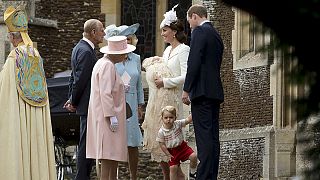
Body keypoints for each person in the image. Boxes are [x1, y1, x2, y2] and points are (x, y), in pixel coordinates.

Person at [0, 6, 56, 180]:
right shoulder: (35, 55)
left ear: (11, 37)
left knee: (19, 143)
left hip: (18, 116)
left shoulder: (13, 58)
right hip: (36, 116)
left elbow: (5, 93)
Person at [142, 4, 190, 180]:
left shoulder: (184, 50)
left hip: (173, 100)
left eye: (165, 30)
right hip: (160, 102)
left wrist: (166, 82)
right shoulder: (167, 50)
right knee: (160, 143)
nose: (162, 34)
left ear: (174, 32)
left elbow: (186, 76)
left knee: (172, 146)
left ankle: (179, 177)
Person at [182, 4, 224, 180]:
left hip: (201, 92)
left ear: (194, 16)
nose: (190, 26)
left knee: (204, 137)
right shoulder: (216, 34)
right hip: (214, 92)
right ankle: (211, 175)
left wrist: (186, 89)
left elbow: (194, 62)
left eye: (189, 21)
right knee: (213, 137)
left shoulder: (199, 32)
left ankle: (204, 176)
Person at [86, 35, 136, 180]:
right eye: (124, 52)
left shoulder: (103, 63)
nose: (126, 55)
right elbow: (105, 92)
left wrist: (121, 88)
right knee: (108, 155)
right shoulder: (107, 65)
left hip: (102, 116)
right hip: (106, 118)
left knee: (111, 156)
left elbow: (107, 88)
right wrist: (111, 115)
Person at [63, 19, 105, 180]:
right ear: (93, 32)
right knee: (86, 145)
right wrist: (73, 101)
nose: (104, 33)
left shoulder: (79, 48)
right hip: (88, 105)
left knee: (87, 144)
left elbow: (73, 77)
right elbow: (80, 79)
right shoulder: (86, 51)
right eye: (101, 30)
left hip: (83, 103)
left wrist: (71, 98)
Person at [104, 23, 145, 180]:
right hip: (116, 103)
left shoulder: (136, 58)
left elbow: (140, 83)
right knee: (115, 141)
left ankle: (133, 176)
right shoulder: (112, 58)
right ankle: (113, 176)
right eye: (124, 39)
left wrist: (140, 105)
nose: (127, 42)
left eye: (129, 39)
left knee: (132, 143)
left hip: (132, 103)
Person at [156, 106, 197, 179]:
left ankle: (192, 173)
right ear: (162, 118)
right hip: (172, 151)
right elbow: (161, 144)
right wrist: (168, 154)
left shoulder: (178, 124)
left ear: (175, 118)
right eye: (166, 118)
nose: (168, 120)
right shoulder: (161, 132)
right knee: (173, 168)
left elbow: (188, 120)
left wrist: (195, 110)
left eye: (171, 117)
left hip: (182, 147)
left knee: (193, 156)